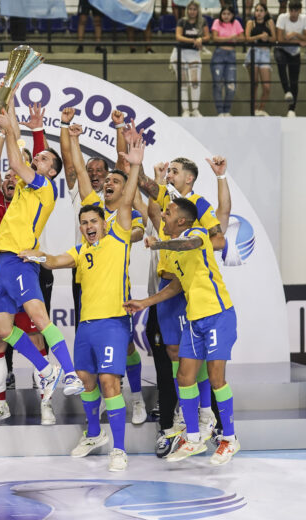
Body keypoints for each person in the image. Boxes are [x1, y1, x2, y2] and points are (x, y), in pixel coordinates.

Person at [21, 130, 145, 471]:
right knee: (87, 382)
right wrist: (34, 255)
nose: (89, 226)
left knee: (108, 382)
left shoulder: (118, 236)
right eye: (84, 223)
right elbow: (53, 259)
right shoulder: (80, 251)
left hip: (113, 325)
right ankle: (94, 433)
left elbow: (128, 197)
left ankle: (119, 449)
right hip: (87, 327)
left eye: (93, 221)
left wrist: (134, 167)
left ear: (104, 224)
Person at [125, 197, 240, 465]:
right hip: (193, 320)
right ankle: (193, 438)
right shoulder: (173, 252)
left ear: (182, 220)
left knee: (215, 379)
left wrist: (159, 244)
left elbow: (188, 243)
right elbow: (176, 286)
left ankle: (230, 439)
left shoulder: (196, 233)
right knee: (185, 377)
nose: (162, 215)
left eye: (168, 212)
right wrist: (144, 302)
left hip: (217, 315)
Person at [0, 95, 84, 399]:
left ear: (51, 172)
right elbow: (19, 155)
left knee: (40, 320)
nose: (35, 160)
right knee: (2, 329)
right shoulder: (25, 187)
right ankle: (45, 369)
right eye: (36, 157)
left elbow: (16, 159)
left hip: (20, 262)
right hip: (2, 263)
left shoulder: (44, 187)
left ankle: (70, 374)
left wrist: (8, 130)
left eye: (42, 159)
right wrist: (11, 104)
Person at [60, 109, 148, 425]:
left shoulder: (125, 215)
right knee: (91, 348)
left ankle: (136, 398)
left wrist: (120, 128)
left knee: (124, 346)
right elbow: (81, 174)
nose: (107, 182)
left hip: (116, 285)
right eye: (106, 180)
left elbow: (137, 231)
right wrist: (73, 138)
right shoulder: (94, 211)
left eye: (113, 180)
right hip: (87, 281)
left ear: (123, 188)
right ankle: (97, 403)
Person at [135, 152, 226, 444]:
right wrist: (136, 163)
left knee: (191, 354)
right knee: (174, 351)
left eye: (174, 170)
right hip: (166, 283)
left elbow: (219, 238)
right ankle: (184, 412)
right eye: (168, 170)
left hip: (186, 286)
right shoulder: (169, 203)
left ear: (189, 177)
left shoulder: (198, 203)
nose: (169, 173)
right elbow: (146, 186)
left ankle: (203, 413)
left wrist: (187, 246)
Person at [0, 104, 56, 426]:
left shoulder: (34, 192)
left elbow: (40, 168)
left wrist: (35, 132)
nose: (13, 177)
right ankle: (0, 404)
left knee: (38, 336)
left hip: (25, 266)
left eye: (17, 175)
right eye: (8, 176)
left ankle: (46, 403)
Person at [275, 0, 306, 117]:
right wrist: (299, 41)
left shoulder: (304, 18)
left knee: (294, 81)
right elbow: (280, 40)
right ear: (288, 10)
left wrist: (294, 34)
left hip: (294, 52)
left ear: (300, 11)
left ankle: (292, 109)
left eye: (296, 11)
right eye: (291, 10)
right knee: (280, 63)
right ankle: (287, 91)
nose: (293, 13)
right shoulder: (282, 17)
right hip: (281, 49)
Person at [173, 1, 209, 117]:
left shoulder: (202, 21)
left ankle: (195, 109)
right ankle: (186, 110)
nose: (192, 11)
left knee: (195, 82)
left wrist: (201, 40)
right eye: (190, 9)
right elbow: (178, 36)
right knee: (183, 83)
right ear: (187, 10)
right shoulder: (182, 21)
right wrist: (194, 41)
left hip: (194, 53)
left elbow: (208, 36)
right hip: (180, 53)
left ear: (198, 10)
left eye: (194, 9)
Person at [210, 5, 244, 117]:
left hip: (231, 55)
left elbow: (242, 37)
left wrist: (236, 38)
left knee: (231, 85)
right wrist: (230, 38)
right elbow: (215, 38)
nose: (226, 16)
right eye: (224, 14)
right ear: (221, 14)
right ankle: (220, 111)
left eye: (228, 14)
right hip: (219, 54)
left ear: (232, 15)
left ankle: (227, 110)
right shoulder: (216, 22)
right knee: (218, 84)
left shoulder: (236, 23)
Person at [245, 3, 275, 116]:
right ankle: (253, 111)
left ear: (265, 12)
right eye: (256, 10)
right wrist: (259, 37)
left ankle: (260, 109)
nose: (258, 13)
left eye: (261, 10)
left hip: (265, 53)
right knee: (255, 84)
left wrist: (267, 37)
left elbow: (274, 38)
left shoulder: (269, 22)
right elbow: (247, 38)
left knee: (266, 87)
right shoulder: (250, 23)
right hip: (253, 52)